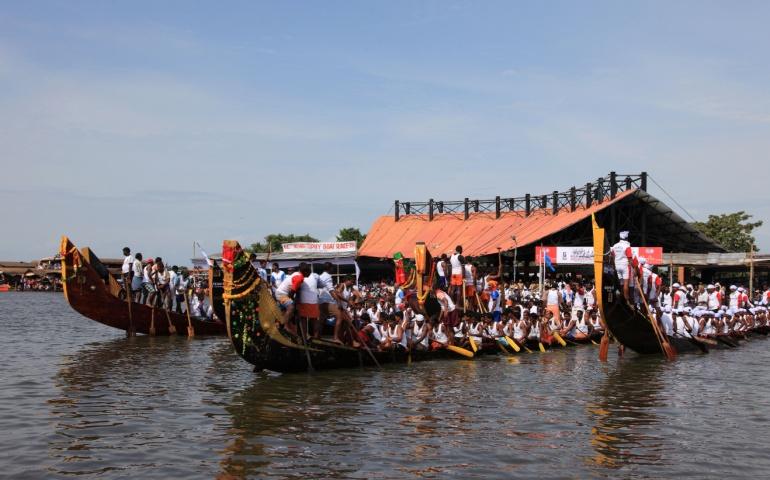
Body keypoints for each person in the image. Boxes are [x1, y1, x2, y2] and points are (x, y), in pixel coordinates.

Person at [274, 262, 308, 334]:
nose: (309, 274)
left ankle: (283, 325)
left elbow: (296, 291)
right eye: (308, 272)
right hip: (281, 294)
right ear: (305, 272)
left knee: (286, 310)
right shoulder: (299, 277)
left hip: (281, 293)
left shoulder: (296, 274)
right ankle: (284, 326)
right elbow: (292, 291)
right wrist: (291, 300)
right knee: (291, 307)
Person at [611, 231, 633, 301]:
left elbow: (613, 257)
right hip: (625, 265)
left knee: (621, 283)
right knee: (626, 283)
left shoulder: (615, 246)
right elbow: (629, 258)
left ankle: (621, 298)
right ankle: (626, 299)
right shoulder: (627, 246)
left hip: (617, 265)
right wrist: (632, 268)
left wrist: (614, 266)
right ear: (626, 238)